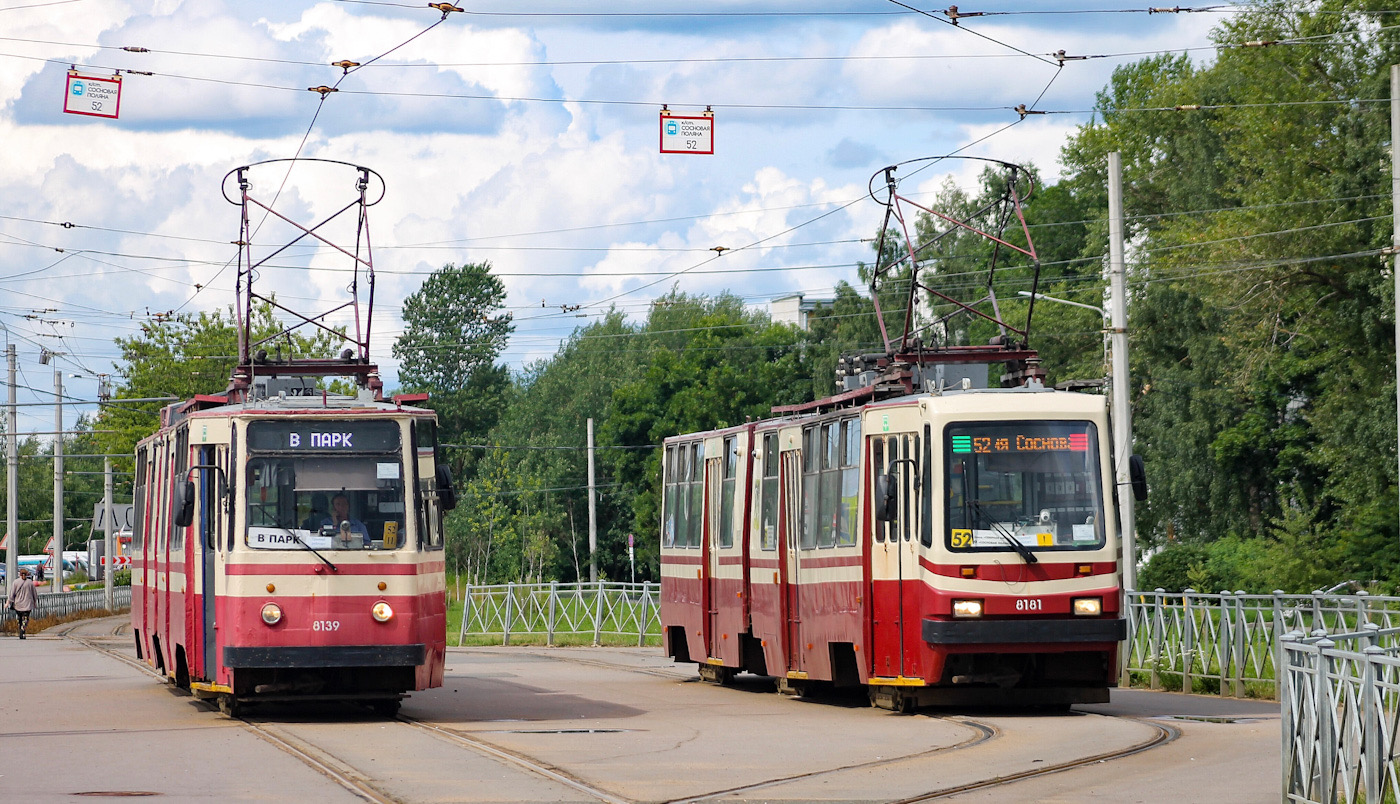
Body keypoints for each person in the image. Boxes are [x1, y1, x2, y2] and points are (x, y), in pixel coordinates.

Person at [7, 568, 37, 639]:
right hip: (27, 604)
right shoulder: (30, 583)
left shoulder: (15, 582)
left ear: (19, 574)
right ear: (27, 574)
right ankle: (22, 630)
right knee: (25, 618)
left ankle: (20, 628)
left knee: (20, 618)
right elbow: (34, 594)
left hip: (18, 604)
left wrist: (8, 601)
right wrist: (35, 602)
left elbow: (12, 593)